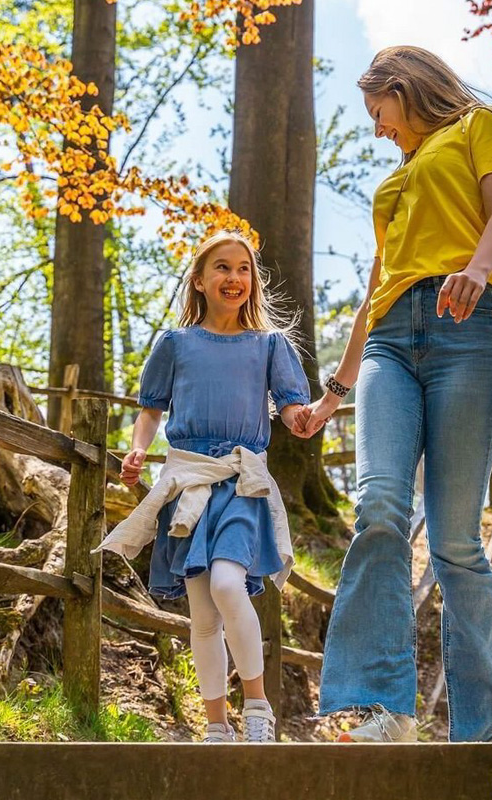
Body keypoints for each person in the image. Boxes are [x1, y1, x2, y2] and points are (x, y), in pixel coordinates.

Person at [301, 45, 492, 743]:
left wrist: (477, 267)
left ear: (404, 89)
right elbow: (375, 289)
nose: (379, 129)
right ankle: (382, 710)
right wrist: (334, 392)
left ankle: (486, 727)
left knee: (456, 543)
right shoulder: (398, 181)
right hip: (388, 341)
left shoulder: (476, 127)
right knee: (378, 505)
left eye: (379, 113)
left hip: (465, 331)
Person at [96, 230, 312, 743]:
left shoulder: (269, 345)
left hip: (240, 483)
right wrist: (137, 449)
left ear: (252, 281)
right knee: (201, 616)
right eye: (221, 267)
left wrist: (306, 414)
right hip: (187, 481)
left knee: (225, 585)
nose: (233, 277)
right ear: (199, 279)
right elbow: (151, 409)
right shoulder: (176, 343)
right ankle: (217, 725)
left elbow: (291, 405)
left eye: (243, 269)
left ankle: (257, 705)